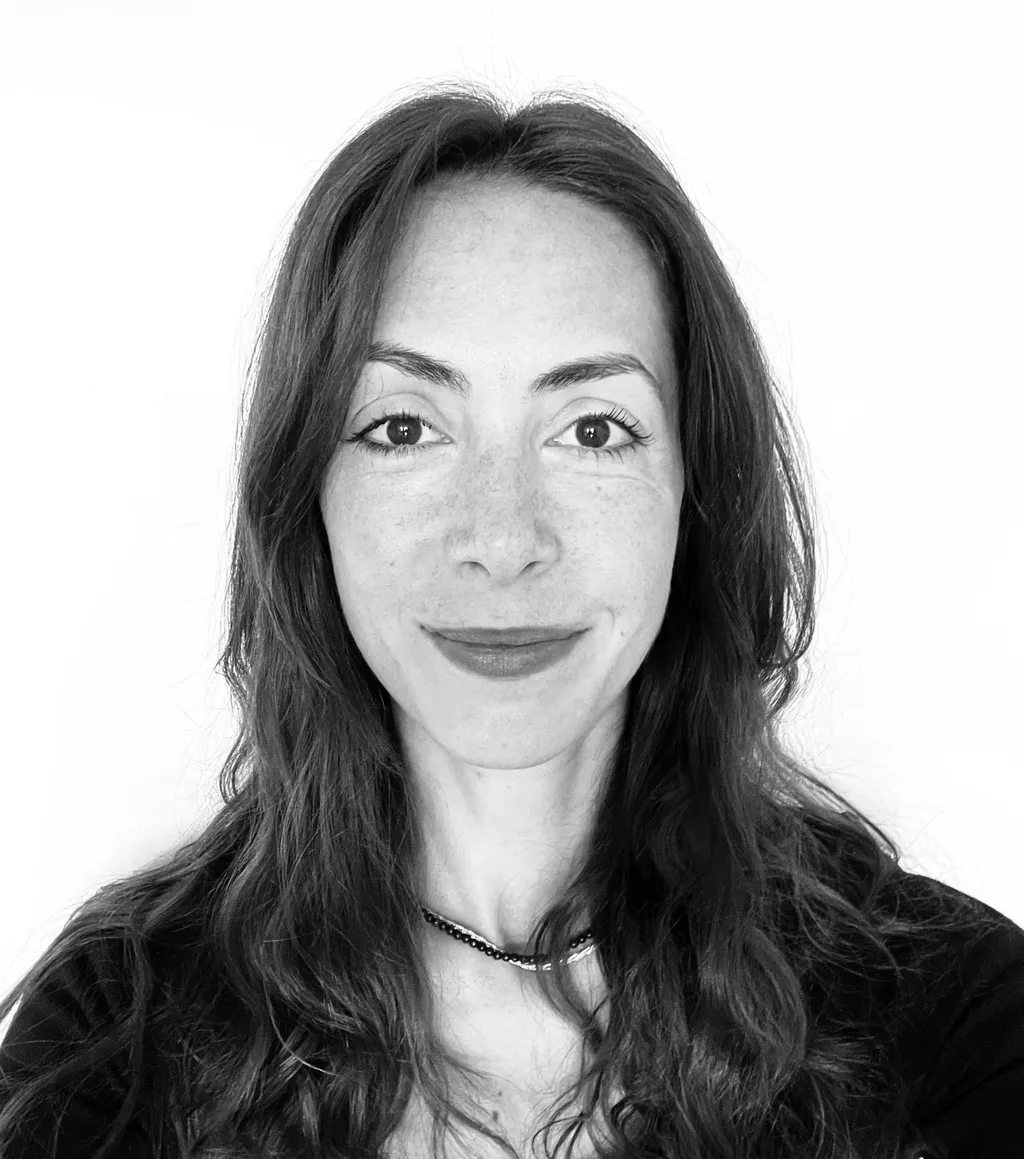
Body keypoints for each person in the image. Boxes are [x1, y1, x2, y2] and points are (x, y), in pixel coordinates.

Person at [1, 80, 1021, 1159]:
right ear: (309, 498)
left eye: (592, 428)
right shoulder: (117, 1039)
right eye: (402, 426)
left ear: (696, 490)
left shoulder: (953, 1031)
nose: (501, 536)